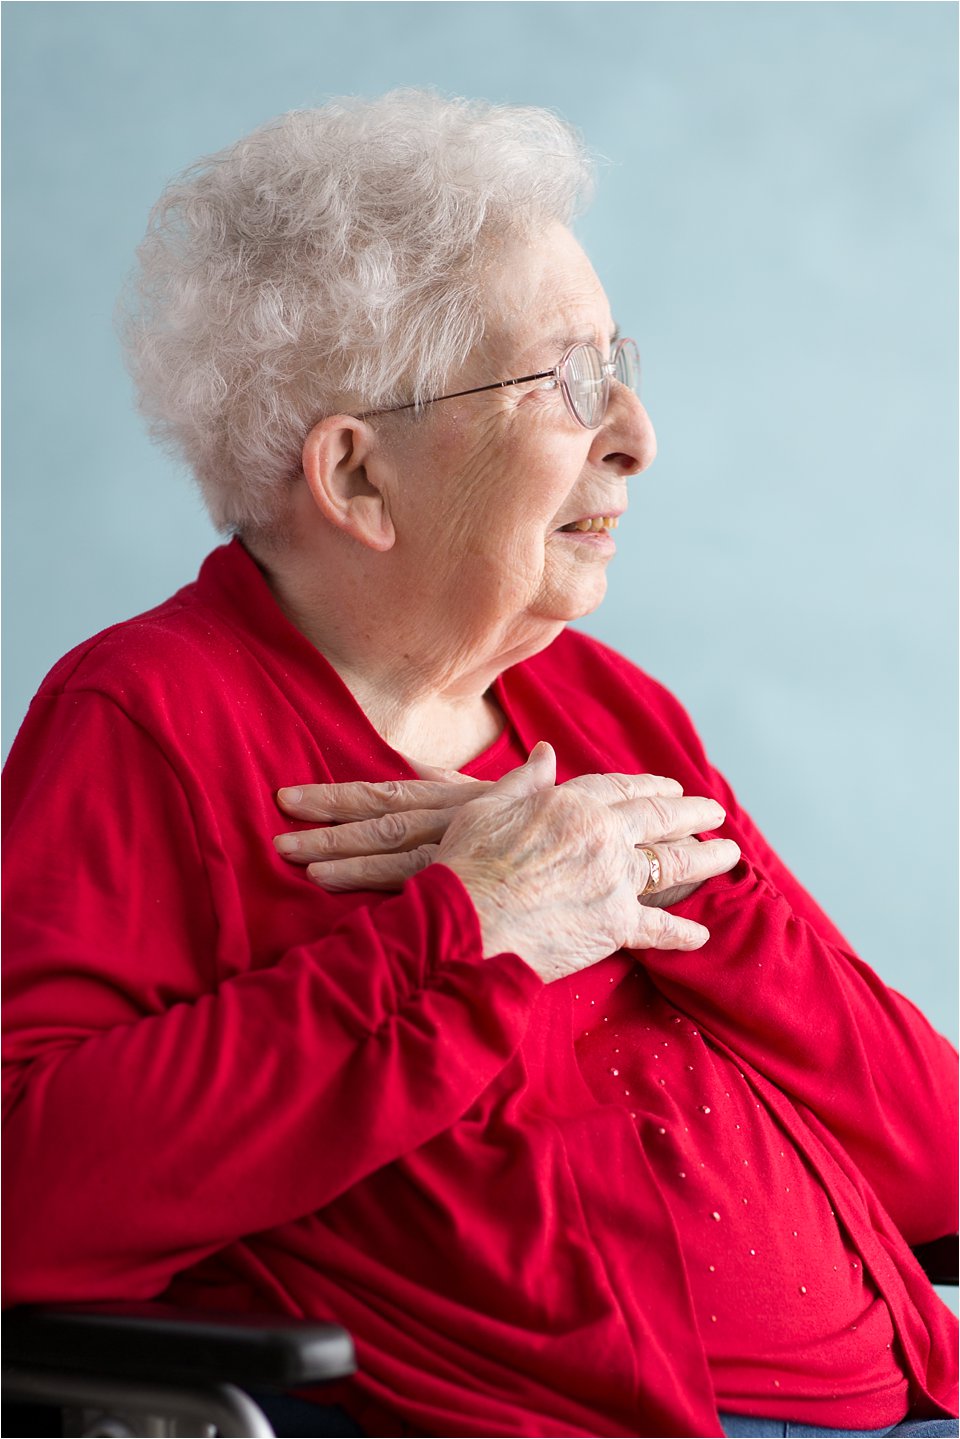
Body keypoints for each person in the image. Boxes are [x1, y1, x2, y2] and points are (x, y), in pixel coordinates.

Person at [2, 91, 956, 1439]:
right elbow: (28, 1201)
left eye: (621, 362)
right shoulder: (151, 718)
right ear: (359, 479)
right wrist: (476, 931)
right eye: (570, 379)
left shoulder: (604, 707)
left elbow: (938, 1158)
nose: (637, 433)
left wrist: (679, 889)